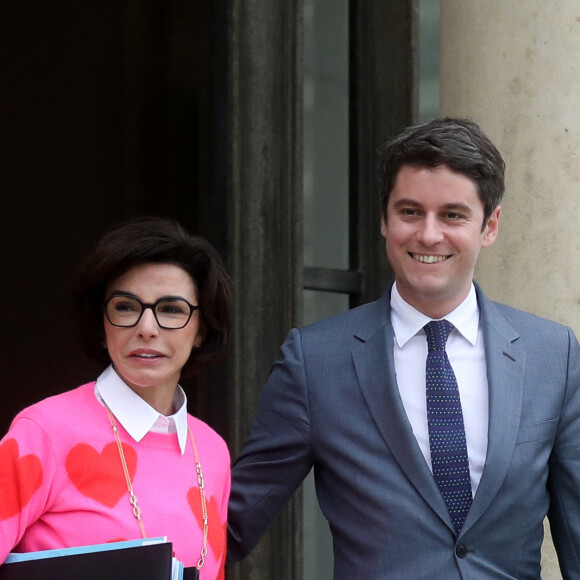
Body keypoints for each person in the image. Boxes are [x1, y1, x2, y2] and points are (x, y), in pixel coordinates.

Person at [227, 118, 580, 578]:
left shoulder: (553, 354)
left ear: (490, 225)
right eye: (410, 212)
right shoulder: (315, 361)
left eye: (453, 215)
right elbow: (231, 524)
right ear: (384, 218)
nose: (428, 235)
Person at [0, 216, 233, 579]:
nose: (147, 328)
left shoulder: (213, 451)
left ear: (201, 328)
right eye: (126, 307)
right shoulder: (43, 431)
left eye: (171, 310)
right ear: (102, 322)